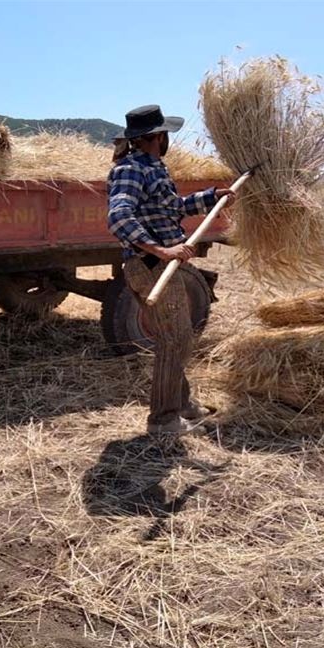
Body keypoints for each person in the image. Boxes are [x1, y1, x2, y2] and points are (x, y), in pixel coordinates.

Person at [107, 105, 236, 435]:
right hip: (151, 266)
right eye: (166, 135)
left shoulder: (153, 168)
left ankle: (182, 404)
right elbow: (119, 216)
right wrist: (161, 249)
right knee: (174, 340)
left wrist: (212, 197)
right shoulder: (131, 169)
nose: (168, 141)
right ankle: (163, 421)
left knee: (178, 338)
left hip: (162, 265)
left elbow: (173, 208)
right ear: (158, 137)